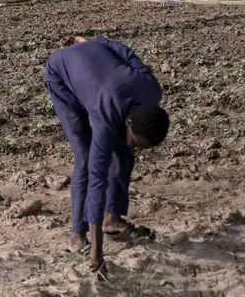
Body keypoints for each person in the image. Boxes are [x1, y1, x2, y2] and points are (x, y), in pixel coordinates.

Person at [44, 34, 169, 275]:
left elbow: (126, 53)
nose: (136, 147)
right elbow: (97, 180)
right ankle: (78, 236)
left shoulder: (151, 89)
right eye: (136, 141)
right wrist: (97, 253)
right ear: (128, 121)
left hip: (96, 76)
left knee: (124, 151)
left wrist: (96, 42)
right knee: (85, 157)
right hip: (62, 75)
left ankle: (113, 220)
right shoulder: (106, 115)